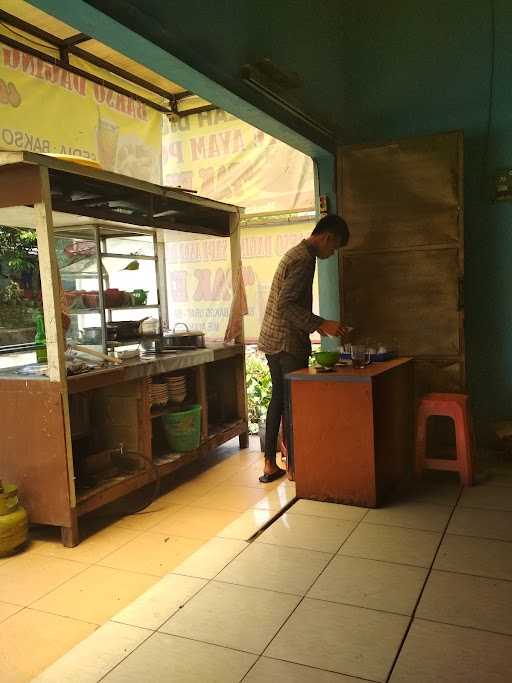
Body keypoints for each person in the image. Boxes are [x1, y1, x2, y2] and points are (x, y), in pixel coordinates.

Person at [257, 214, 350, 483]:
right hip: (287, 343)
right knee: (291, 403)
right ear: (327, 237)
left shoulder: (295, 253)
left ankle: (269, 464)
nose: (332, 254)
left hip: (274, 340)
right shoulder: (304, 259)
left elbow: (289, 304)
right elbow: (287, 305)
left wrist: (319, 326)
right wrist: (321, 323)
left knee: (279, 400)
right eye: (334, 248)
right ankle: (296, 467)